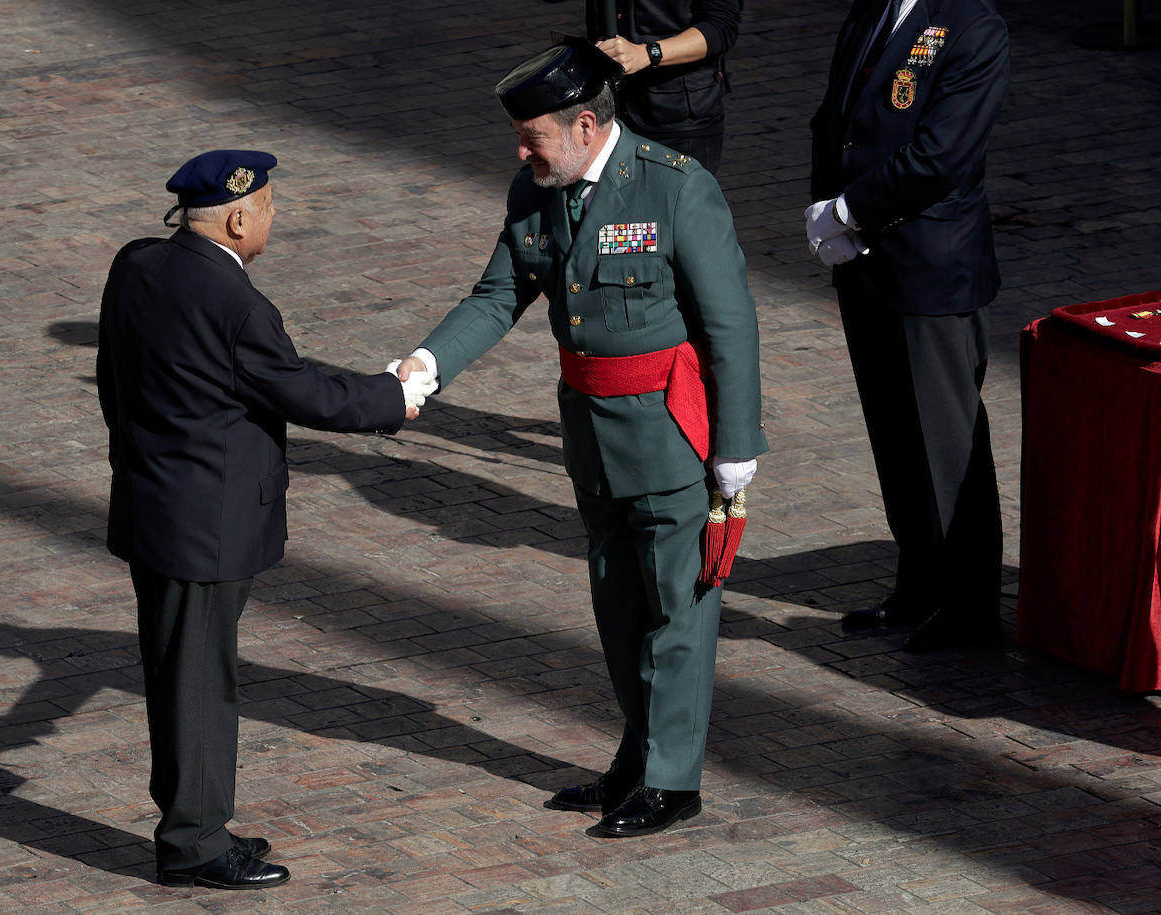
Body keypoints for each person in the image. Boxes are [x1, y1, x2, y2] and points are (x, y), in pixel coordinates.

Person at [391, 40, 766, 837]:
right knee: (619, 608)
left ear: (588, 125)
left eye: (534, 136)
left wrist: (737, 447)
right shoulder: (536, 193)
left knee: (678, 611)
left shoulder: (675, 190)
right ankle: (639, 757)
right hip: (592, 438)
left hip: (670, 436)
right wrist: (424, 366)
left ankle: (673, 779)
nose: (521, 151)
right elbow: (497, 295)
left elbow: (730, 324)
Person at [96, 149, 435, 889]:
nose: (275, 218)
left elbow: (111, 379)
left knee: (181, 669)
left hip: (152, 505)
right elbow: (301, 390)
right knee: (197, 680)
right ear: (240, 216)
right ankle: (191, 843)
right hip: (206, 524)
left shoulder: (137, 265)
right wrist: (392, 396)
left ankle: (201, 820)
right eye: (272, 208)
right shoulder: (236, 303)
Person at [806, 0, 1010, 652]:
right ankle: (918, 583)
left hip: (930, 268)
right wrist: (827, 208)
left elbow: (941, 155)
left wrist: (847, 210)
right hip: (868, 263)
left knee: (946, 446)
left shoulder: (972, 26)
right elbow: (833, 119)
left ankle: (971, 605)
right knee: (895, 433)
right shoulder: (873, 11)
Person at [546, 0, 741, 173]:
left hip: (676, 121)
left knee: (672, 209)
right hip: (610, 112)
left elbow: (721, 27)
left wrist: (648, 53)